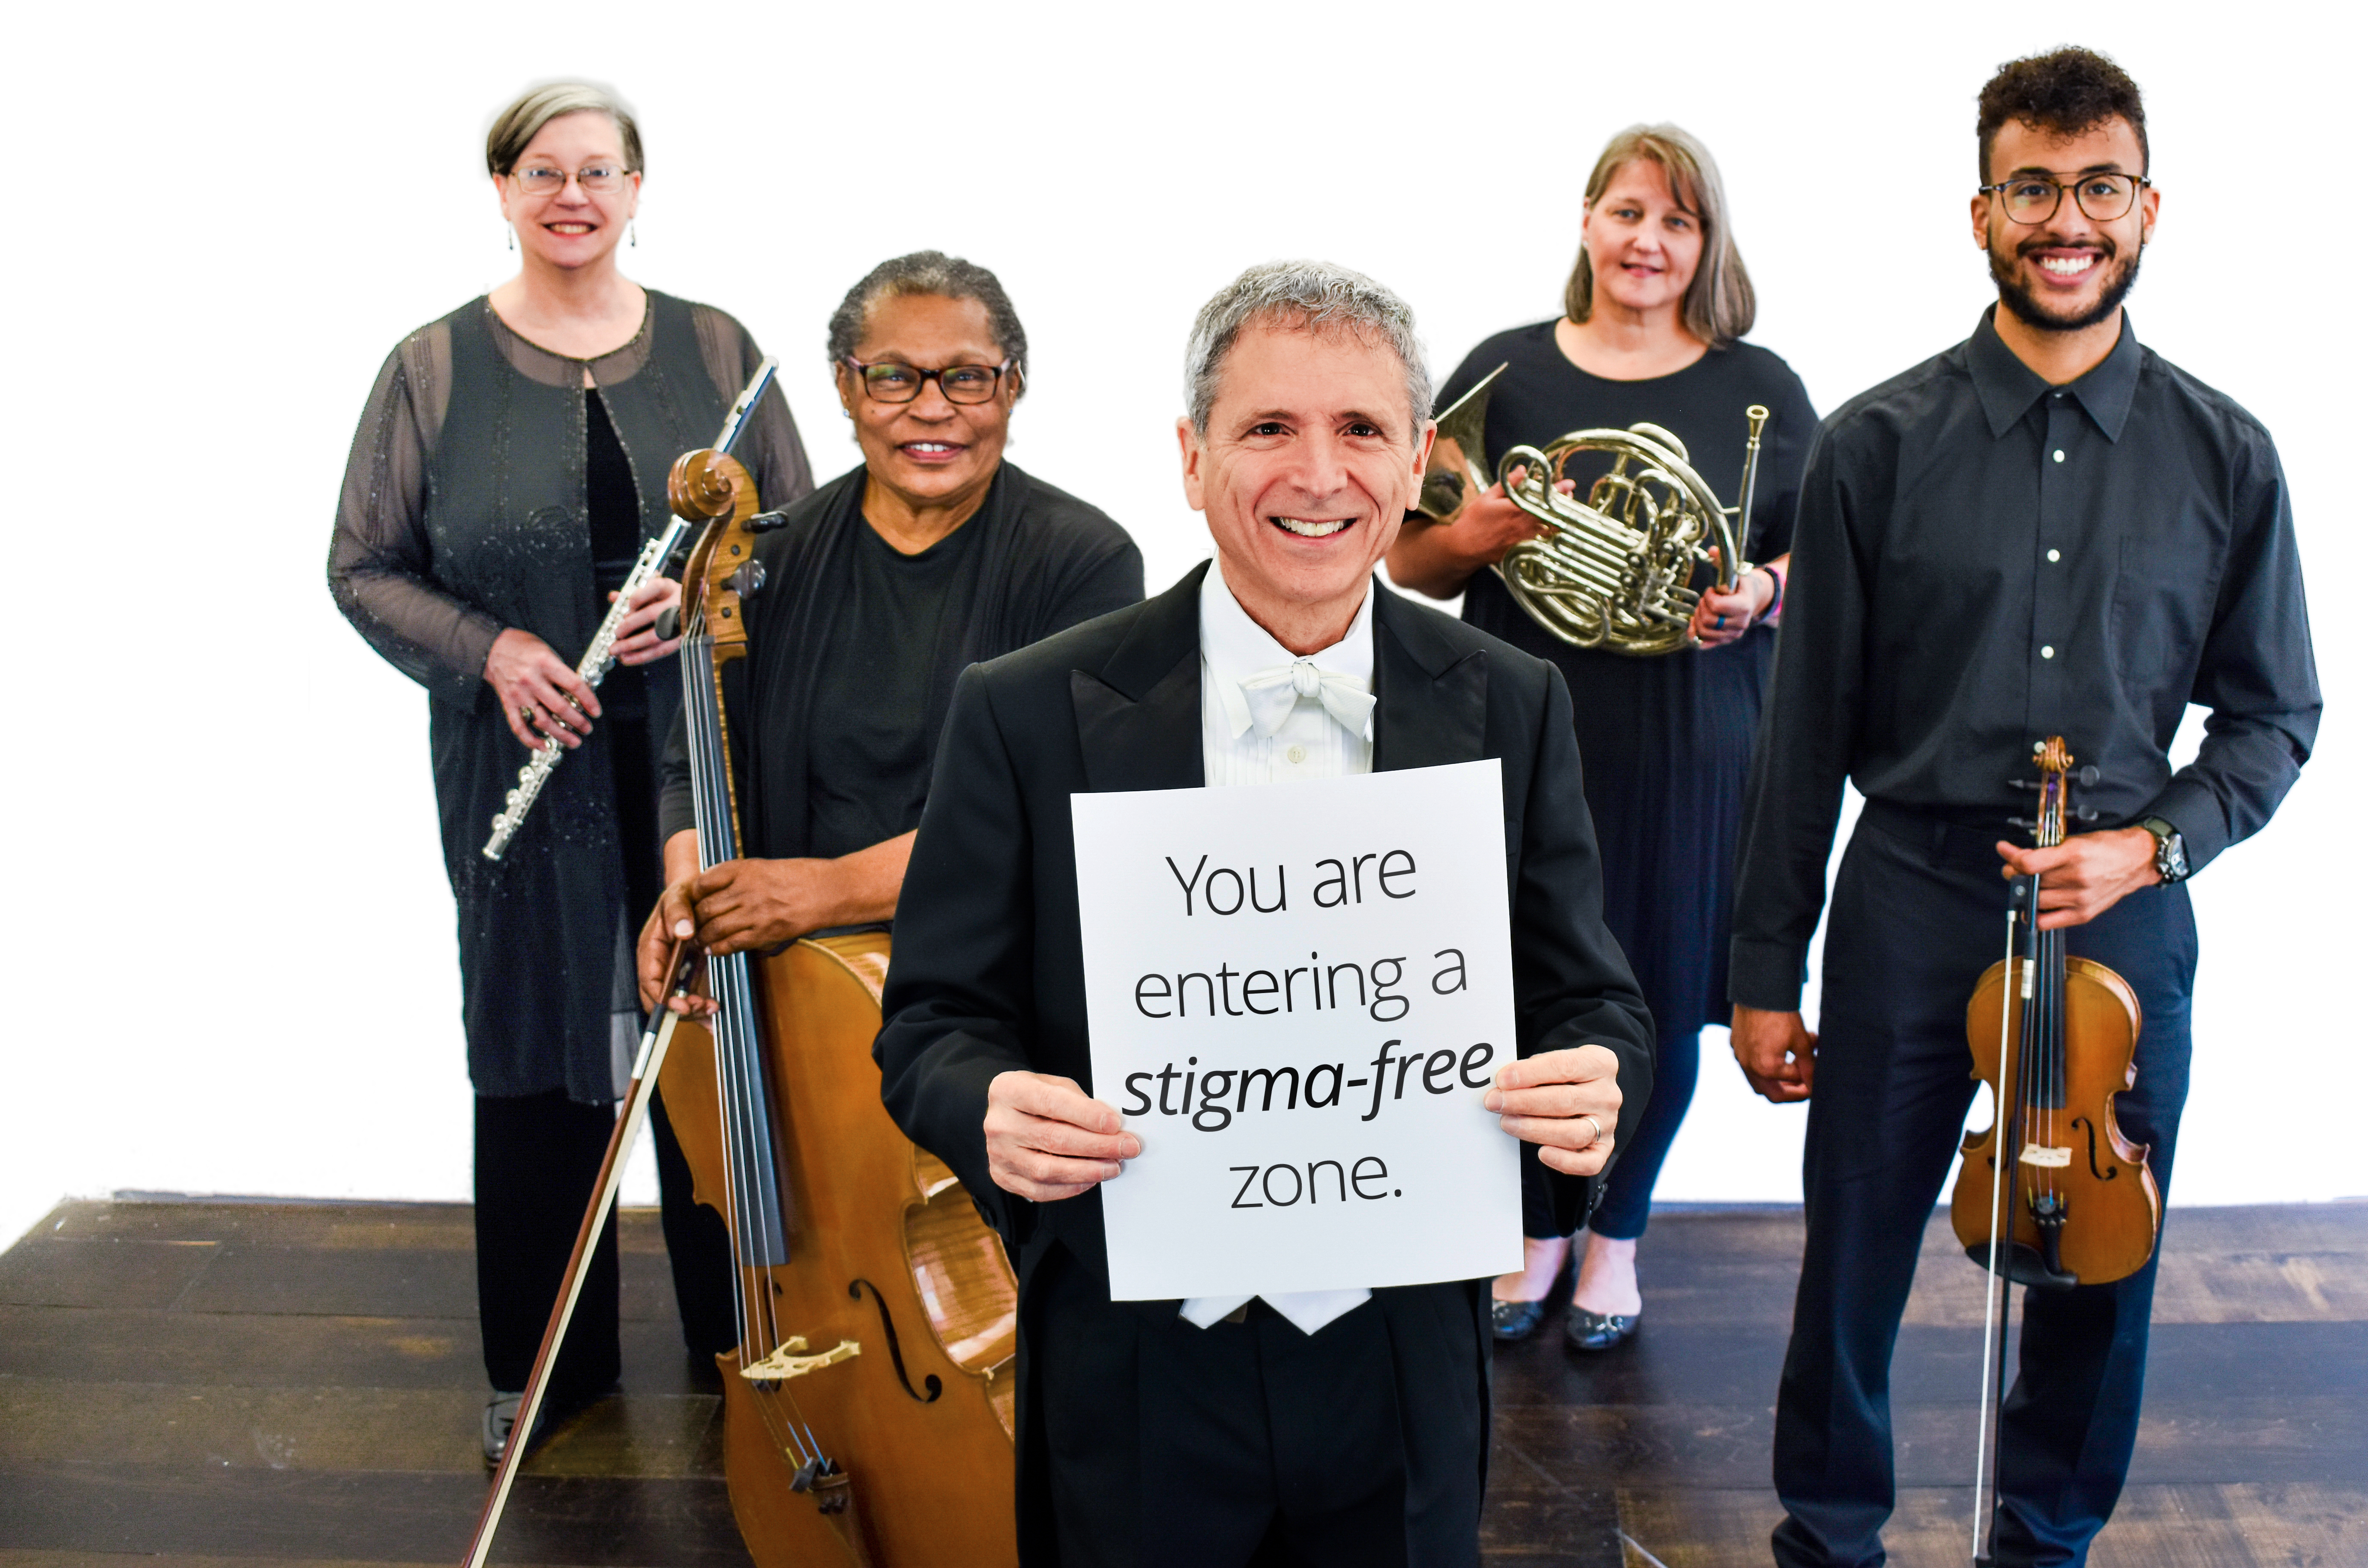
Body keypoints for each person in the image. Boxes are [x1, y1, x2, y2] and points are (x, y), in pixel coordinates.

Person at [872, 260, 1655, 1566]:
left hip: (1403, 1349)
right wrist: (986, 1103)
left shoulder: (1513, 701)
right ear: (1191, 458)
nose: (1319, 474)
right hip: (1132, 1353)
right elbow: (934, 1023)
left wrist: (1600, 1080)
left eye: (1361, 430)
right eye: (1268, 429)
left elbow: (1592, 996)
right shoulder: (1021, 710)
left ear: (1419, 468)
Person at [1727, 48, 2322, 1566]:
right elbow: (1804, 734)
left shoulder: (2226, 452)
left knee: (2102, 1261)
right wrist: (1760, 974)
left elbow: (2274, 719)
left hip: (2124, 906)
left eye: (2099, 185)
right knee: (1853, 1250)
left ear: (2148, 206)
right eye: (2035, 187)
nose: (2070, 218)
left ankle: (2045, 1538)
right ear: (1983, 211)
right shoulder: (1873, 444)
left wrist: (2151, 844)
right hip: (1912, 897)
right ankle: (1833, 1533)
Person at [328, 80, 813, 1467]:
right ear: (502, 190)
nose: (572, 196)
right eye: (542, 171)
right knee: (540, 1051)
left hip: (698, 754)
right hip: (524, 753)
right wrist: (490, 651)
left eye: (599, 170)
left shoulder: (720, 348)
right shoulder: (430, 368)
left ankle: (751, 1344)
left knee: (714, 1039)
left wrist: (712, 600)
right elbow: (360, 567)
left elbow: (800, 544)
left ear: (638, 189)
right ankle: (544, 1368)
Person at [1386, 124, 1818, 1351]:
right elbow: (1410, 563)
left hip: (1694, 737)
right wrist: (1474, 541)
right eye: (1629, 212)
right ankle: (1534, 1230)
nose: (1649, 241)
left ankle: (1616, 1237)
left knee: (1669, 995)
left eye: (1677, 222)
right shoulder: (1506, 374)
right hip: (1519, 730)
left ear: (1704, 245)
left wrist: (1764, 593)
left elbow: (1826, 559)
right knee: (1520, 993)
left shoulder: (1762, 388)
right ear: (1587, 222)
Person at [637, 249, 1143, 998]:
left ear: (1013, 387)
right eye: (894, 376)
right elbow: (696, 765)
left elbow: (1059, 811)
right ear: (846, 385)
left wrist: (822, 891)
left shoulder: (1083, 561)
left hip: (1000, 993)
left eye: (967, 377)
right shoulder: (768, 556)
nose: (932, 409)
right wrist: (692, 898)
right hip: (791, 989)